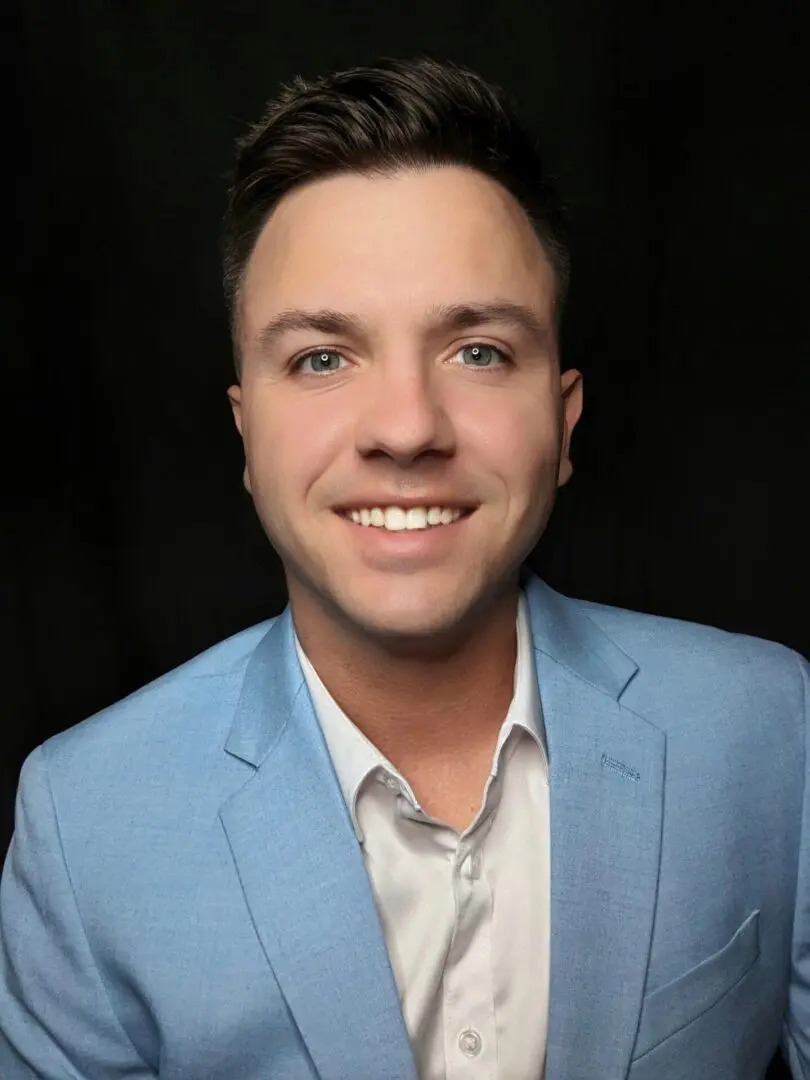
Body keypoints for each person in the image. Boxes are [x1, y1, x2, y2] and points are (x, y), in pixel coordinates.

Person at [0, 55, 807, 1080]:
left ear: (563, 424)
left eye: (477, 350)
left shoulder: (776, 731)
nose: (407, 428)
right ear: (248, 437)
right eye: (322, 359)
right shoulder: (84, 823)